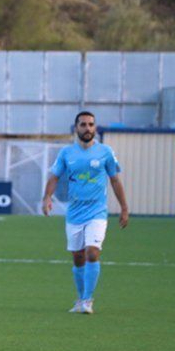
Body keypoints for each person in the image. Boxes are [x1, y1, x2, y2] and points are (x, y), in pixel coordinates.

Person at [42, 111, 129, 314]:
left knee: (92, 252)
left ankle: (88, 300)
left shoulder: (105, 152)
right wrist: (46, 198)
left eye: (91, 124)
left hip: (97, 212)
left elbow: (115, 180)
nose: (87, 128)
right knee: (78, 257)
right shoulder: (66, 153)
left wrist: (124, 208)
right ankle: (81, 299)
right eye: (83, 125)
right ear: (76, 128)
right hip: (74, 213)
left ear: (95, 128)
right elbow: (54, 177)